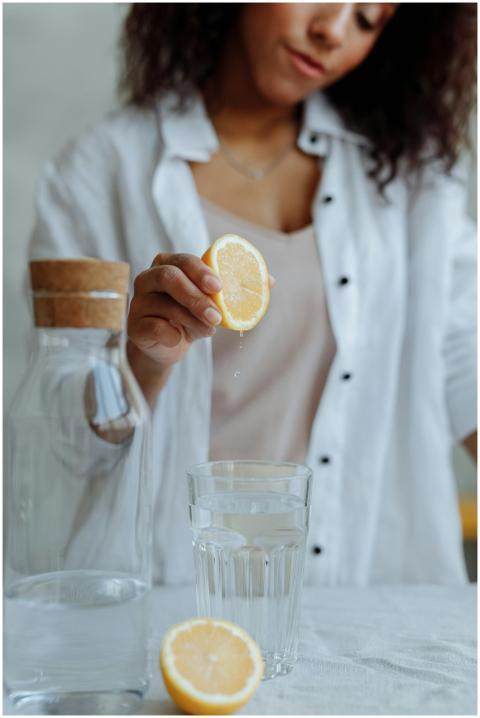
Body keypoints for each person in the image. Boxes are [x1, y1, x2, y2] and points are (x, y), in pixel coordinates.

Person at [29, 3, 476, 585]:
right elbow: (66, 444)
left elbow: (466, 359)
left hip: (359, 598)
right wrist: (144, 356)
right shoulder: (97, 174)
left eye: (368, 19)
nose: (332, 31)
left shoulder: (406, 178)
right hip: (175, 596)